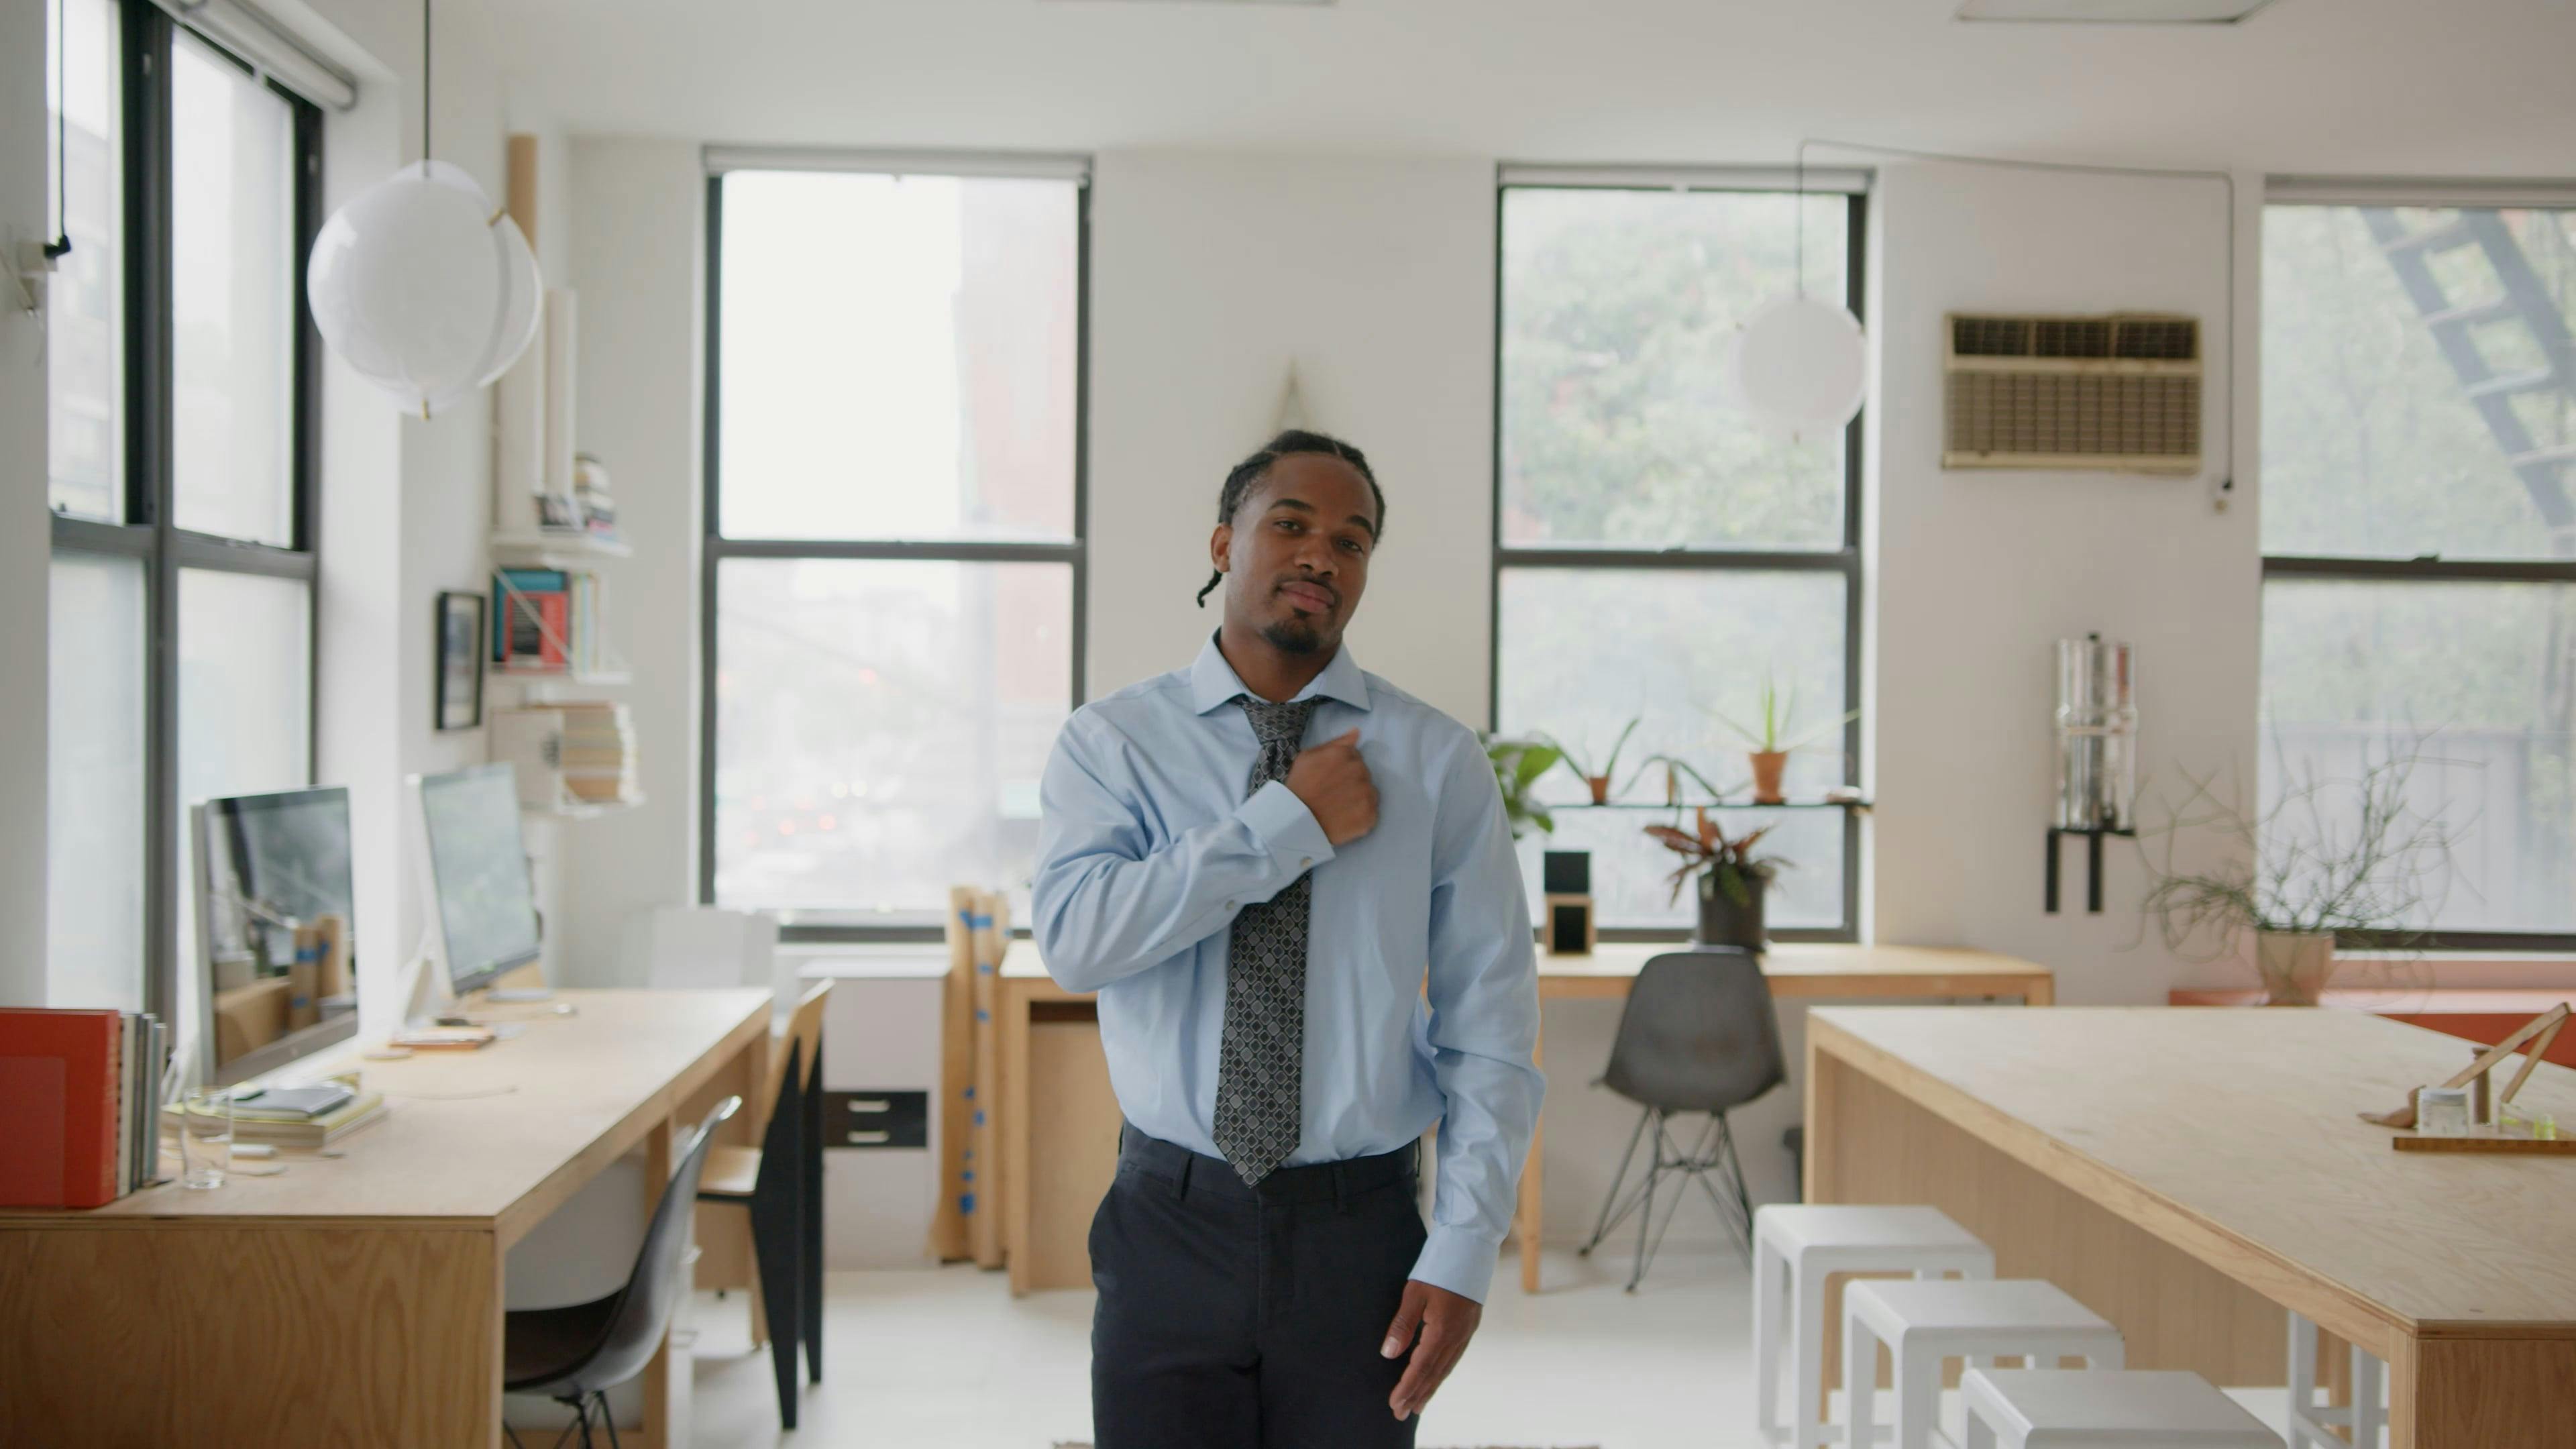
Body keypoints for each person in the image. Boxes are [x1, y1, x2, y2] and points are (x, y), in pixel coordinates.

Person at [1032, 429, 1546, 1447]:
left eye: (1352, 542)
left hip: (1363, 1236)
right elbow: (1079, 942)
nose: (1322, 555)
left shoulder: (1437, 763)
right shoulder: (1113, 745)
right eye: (1292, 524)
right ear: (1225, 543)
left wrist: (1465, 1247)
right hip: (1167, 1225)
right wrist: (1286, 825)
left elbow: (1489, 1027)